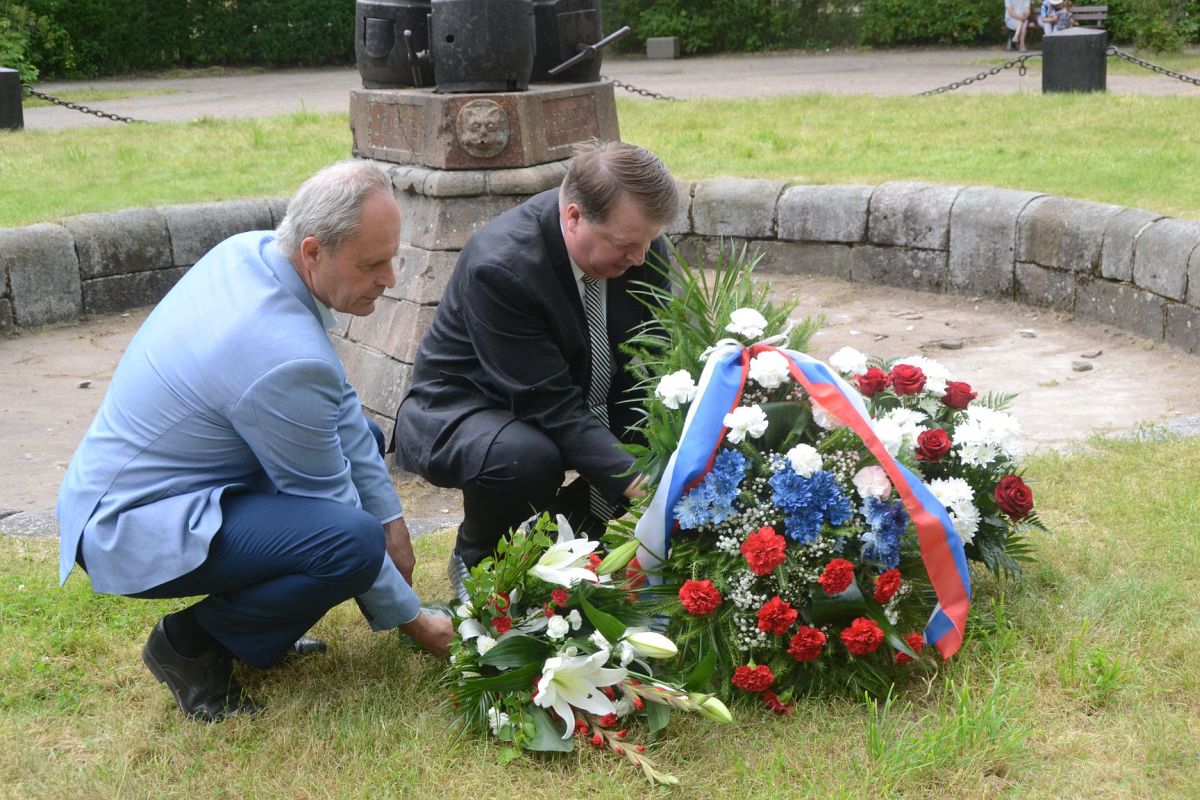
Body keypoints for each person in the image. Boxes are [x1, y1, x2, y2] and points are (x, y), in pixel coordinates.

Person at [56, 160, 454, 722]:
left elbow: (340, 405)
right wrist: (414, 620)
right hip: (127, 526)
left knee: (362, 452)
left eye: (392, 258)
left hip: (144, 488)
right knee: (348, 542)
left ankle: (260, 631)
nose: (390, 279)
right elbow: (332, 508)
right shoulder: (282, 354)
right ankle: (190, 646)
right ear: (313, 251)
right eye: (371, 264)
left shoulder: (252, 252)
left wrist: (394, 521)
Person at [392, 141, 679, 601]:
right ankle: (478, 555)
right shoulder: (502, 265)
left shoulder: (639, 245)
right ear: (574, 217)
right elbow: (549, 406)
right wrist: (645, 487)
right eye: (626, 245)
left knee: (664, 425)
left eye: (649, 242)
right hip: (466, 407)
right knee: (526, 459)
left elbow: (656, 360)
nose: (641, 259)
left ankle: (568, 537)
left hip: (571, 392)